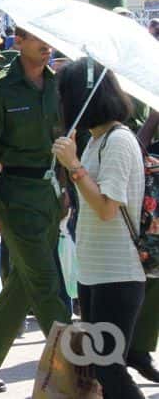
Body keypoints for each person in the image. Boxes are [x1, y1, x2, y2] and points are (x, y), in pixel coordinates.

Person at [0, 27, 70, 394]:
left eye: (49, 36)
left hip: (49, 193)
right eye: (37, 36)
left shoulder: (57, 85)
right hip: (15, 195)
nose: (46, 43)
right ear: (18, 41)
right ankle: (77, 366)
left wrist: (68, 187)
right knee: (46, 283)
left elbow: (64, 139)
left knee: (24, 282)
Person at [52, 61, 147, 398]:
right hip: (94, 270)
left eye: (62, 95)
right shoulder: (94, 140)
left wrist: (74, 167)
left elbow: (108, 208)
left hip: (118, 271)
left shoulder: (118, 141)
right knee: (97, 363)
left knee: (108, 365)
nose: (58, 104)